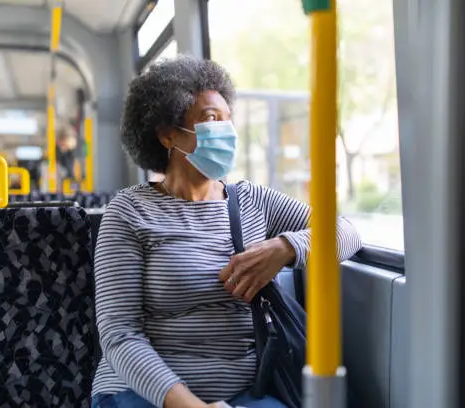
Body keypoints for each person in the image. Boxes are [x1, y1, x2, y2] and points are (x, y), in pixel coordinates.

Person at [91, 55, 363, 408]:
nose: (225, 131)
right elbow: (121, 335)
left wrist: (285, 247)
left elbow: (346, 232)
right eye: (210, 119)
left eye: (227, 119)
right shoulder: (128, 212)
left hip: (243, 393)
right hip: (143, 392)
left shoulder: (252, 200)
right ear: (167, 134)